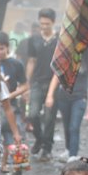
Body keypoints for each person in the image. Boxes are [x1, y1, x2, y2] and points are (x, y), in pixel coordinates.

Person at [44, 49, 88, 162]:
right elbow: (56, 78)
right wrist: (49, 95)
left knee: (74, 127)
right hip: (64, 97)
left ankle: (73, 155)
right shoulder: (65, 59)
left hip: (80, 98)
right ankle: (68, 149)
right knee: (66, 125)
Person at [26, 8, 59, 160]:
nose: (44, 26)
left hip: (54, 82)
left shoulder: (59, 40)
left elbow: (60, 67)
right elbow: (31, 61)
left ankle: (47, 148)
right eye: (42, 24)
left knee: (49, 117)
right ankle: (39, 138)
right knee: (32, 114)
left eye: (47, 24)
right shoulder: (34, 39)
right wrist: (26, 84)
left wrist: (51, 94)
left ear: (53, 22)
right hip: (37, 82)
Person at [0, 31, 29, 169]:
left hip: (11, 106)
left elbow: (25, 85)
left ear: (7, 47)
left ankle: (14, 165)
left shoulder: (16, 64)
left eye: (1, 48)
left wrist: (10, 95)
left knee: (14, 136)